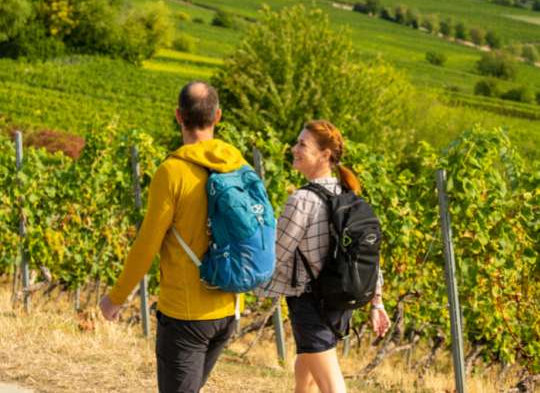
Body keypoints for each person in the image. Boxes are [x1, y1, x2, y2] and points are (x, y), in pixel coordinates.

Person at [100, 81, 248, 393]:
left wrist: (116, 298)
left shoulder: (172, 171)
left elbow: (147, 244)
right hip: (229, 308)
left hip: (186, 314)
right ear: (218, 116)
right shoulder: (238, 163)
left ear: (178, 116)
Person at [258, 120, 391, 393]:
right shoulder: (348, 195)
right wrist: (377, 302)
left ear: (325, 155)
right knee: (304, 376)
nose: (294, 149)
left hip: (310, 304)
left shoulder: (302, 200)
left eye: (302, 144)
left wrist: (242, 284)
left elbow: (275, 255)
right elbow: (368, 255)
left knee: (332, 386)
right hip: (338, 303)